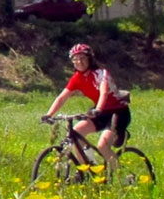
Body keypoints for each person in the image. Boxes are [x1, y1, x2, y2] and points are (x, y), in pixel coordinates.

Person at [41, 43, 132, 180]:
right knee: (75, 135)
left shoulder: (101, 73)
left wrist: (98, 109)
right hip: (100, 112)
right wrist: (49, 114)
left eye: (82, 58)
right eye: (75, 59)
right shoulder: (77, 78)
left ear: (90, 59)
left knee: (102, 145)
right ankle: (90, 170)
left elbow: (104, 93)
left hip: (118, 113)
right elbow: (62, 97)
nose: (79, 62)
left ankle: (125, 178)